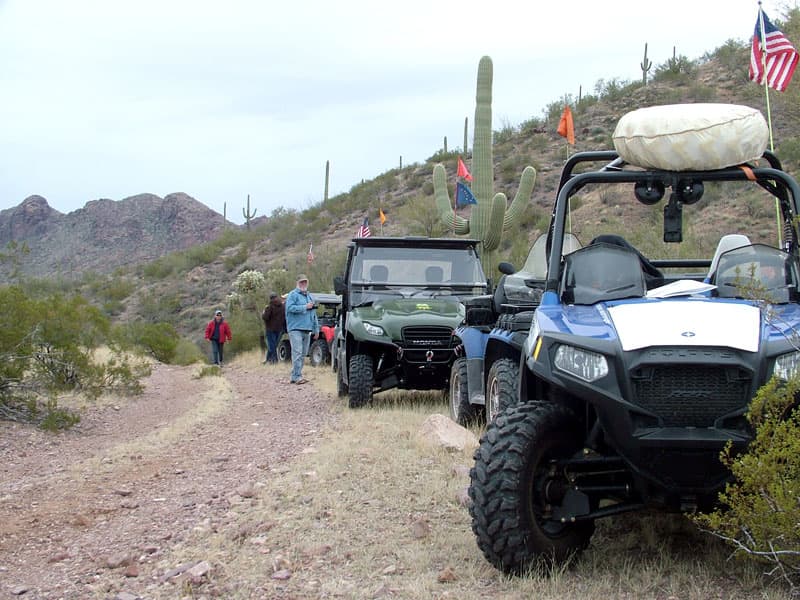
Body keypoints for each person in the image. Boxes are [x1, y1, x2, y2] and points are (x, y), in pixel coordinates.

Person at [284, 274, 319, 384]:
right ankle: (297, 376)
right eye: (301, 282)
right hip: (295, 328)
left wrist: (316, 328)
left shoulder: (310, 296)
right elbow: (289, 308)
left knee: (303, 353)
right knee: (297, 352)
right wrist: (304, 307)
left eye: (305, 282)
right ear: (297, 283)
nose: (303, 284)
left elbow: (313, 313)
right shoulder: (292, 295)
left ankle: (295, 375)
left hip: (307, 329)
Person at [261, 292, 286, 364]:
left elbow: (266, 317)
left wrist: (263, 312)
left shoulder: (269, 307)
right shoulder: (283, 306)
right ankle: (268, 359)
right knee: (274, 344)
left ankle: (275, 360)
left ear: (270, 298)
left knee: (272, 345)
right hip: (279, 328)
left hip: (270, 329)